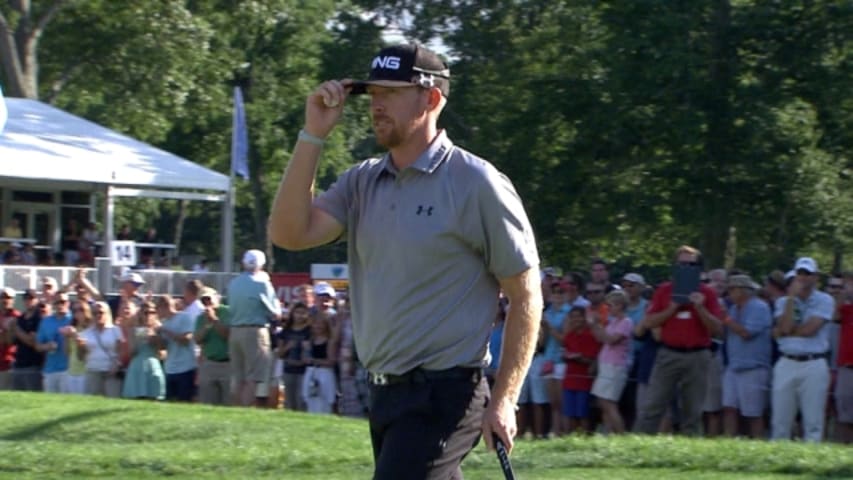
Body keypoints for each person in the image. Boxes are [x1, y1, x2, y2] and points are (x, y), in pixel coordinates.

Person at [268, 42, 541, 478]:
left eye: (390, 94)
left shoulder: (476, 183)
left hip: (446, 394)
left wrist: (505, 399)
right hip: (384, 395)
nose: (376, 105)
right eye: (372, 94)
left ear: (432, 98)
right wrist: (313, 135)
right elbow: (289, 233)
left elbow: (526, 297)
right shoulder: (362, 180)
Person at [633, 245, 723, 436]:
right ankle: (639, 446)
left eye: (691, 264)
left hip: (698, 356)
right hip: (668, 354)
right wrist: (672, 308)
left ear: (698, 268)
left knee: (693, 410)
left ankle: (687, 452)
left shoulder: (708, 293)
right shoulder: (665, 291)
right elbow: (649, 322)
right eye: (682, 264)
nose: (686, 268)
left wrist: (700, 308)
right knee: (653, 405)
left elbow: (717, 330)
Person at [771, 257, 834, 442]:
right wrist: (791, 297)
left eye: (808, 274)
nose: (803, 278)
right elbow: (784, 327)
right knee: (780, 419)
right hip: (786, 361)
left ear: (815, 277)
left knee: (813, 420)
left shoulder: (825, 300)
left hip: (814, 363)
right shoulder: (783, 302)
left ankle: (810, 461)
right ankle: (777, 460)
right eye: (800, 273)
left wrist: (787, 331)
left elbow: (809, 330)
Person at [721, 274, 772, 438]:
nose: (729, 293)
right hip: (734, 366)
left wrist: (726, 319)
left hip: (753, 367)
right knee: (729, 407)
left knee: (753, 413)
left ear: (744, 291)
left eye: (732, 289)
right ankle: (730, 442)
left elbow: (747, 333)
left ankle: (757, 442)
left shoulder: (759, 307)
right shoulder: (734, 309)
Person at [227, 249, 279, 407]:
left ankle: (236, 409)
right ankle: (245, 410)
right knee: (253, 376)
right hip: (255, 331)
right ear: (262, 264)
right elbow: (275, 312)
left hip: (235, 331)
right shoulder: (262, 283)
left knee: (238, 377)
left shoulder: (233, 283)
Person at [588, 290, 633, 434]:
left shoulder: (626, 322)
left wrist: (597, 326)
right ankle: (608, 432)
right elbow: (601, 338)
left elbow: (611, 340)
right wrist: (594, 325)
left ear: (620, 305)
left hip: (616, 366)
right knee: (602, 401)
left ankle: (620, 433)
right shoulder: (613, 322)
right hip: (606, 365)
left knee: (608, 402)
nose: (608, 308)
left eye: (610, 305)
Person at [77, 301, 125, 397]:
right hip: (93, 370)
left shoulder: (115, 330)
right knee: (92, 402)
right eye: (95, 313)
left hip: (111, 371)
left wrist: (117, 365)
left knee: (113, 400)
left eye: (101, 312)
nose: (98, 315)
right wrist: (80, 346)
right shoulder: (85, 333)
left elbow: (121, 351)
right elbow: (80, 357)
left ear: (107, 314)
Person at [193, 288, 231, 405]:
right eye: (203, 300)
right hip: (209, 363)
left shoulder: (228, 312)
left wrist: (214, 319)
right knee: (208, 403)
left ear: (216, 297)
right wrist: (207, 325)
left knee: (228, 402)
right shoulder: (201, 318)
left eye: (208, 299)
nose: (207, 303)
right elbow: (197, 339)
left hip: (228, 364)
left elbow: (227, 335)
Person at [156, 295, 197, 402]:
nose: (157, 313)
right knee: (170, 402)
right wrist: (156, 336)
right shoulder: (164, 323)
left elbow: (186, 339)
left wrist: (166, 331)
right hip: (170, 369)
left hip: (185, 368)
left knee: (184, 401)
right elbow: (163, 347)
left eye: (158, 308)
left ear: (164, 307)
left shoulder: (184, 317)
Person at [122, 301, 166, 400]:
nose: (149, 316)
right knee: (136, 398)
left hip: (153, 365)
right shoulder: (133, 329)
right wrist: (141, 335)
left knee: (155, 398)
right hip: (138, 366)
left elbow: (163, 353)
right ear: (141, 314)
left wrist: (155, 339)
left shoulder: (160, 329)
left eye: (152, 312)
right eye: (146, 313)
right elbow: (132, 351)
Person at [276, 302, 312, 411]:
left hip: (304, 371)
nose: (300, 316)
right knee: (289, 400)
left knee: (301, 399)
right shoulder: (286, 331)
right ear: (292, 314)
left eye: (303, 313)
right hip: (288, 369)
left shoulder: (309, 331)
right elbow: (280, 353)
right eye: (297, 312)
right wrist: (288, 347)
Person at [35, 293, 74, 393]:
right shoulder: (46, 321)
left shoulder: (74, 320)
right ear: (53, 304)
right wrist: (46, 346)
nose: (60, 305)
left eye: (63, 302)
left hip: (69, 369)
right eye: (57, 302)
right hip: (50, 369)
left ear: (68, 303)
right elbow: (38, 345)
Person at [301, 312, 338, 414]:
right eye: (315, 323)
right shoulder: (309, 341)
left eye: (321, 323)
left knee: (325, 401)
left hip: (325, 374)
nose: (318, 326)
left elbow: (331, 361)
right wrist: (306, 352)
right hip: (311, 373)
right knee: (311, 400)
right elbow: (304, 358)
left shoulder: (329, 342)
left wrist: (315, 361)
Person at [10, 289, 43, 391]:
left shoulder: (39, 318)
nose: (28, 301)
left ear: (37, 300)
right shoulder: (20, 318)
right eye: (26, 298)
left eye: (31, 298)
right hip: (19, 364)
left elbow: (32, 343)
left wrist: (16, 329)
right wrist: (10, 329)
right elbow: (12, 341)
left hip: (33, 365)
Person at [0, 287, 20, 390]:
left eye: (8, 297)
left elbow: (9, 341)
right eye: (2, 297)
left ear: (13, 300)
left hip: (9, 362)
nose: (5, 300)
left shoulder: (17, 316)